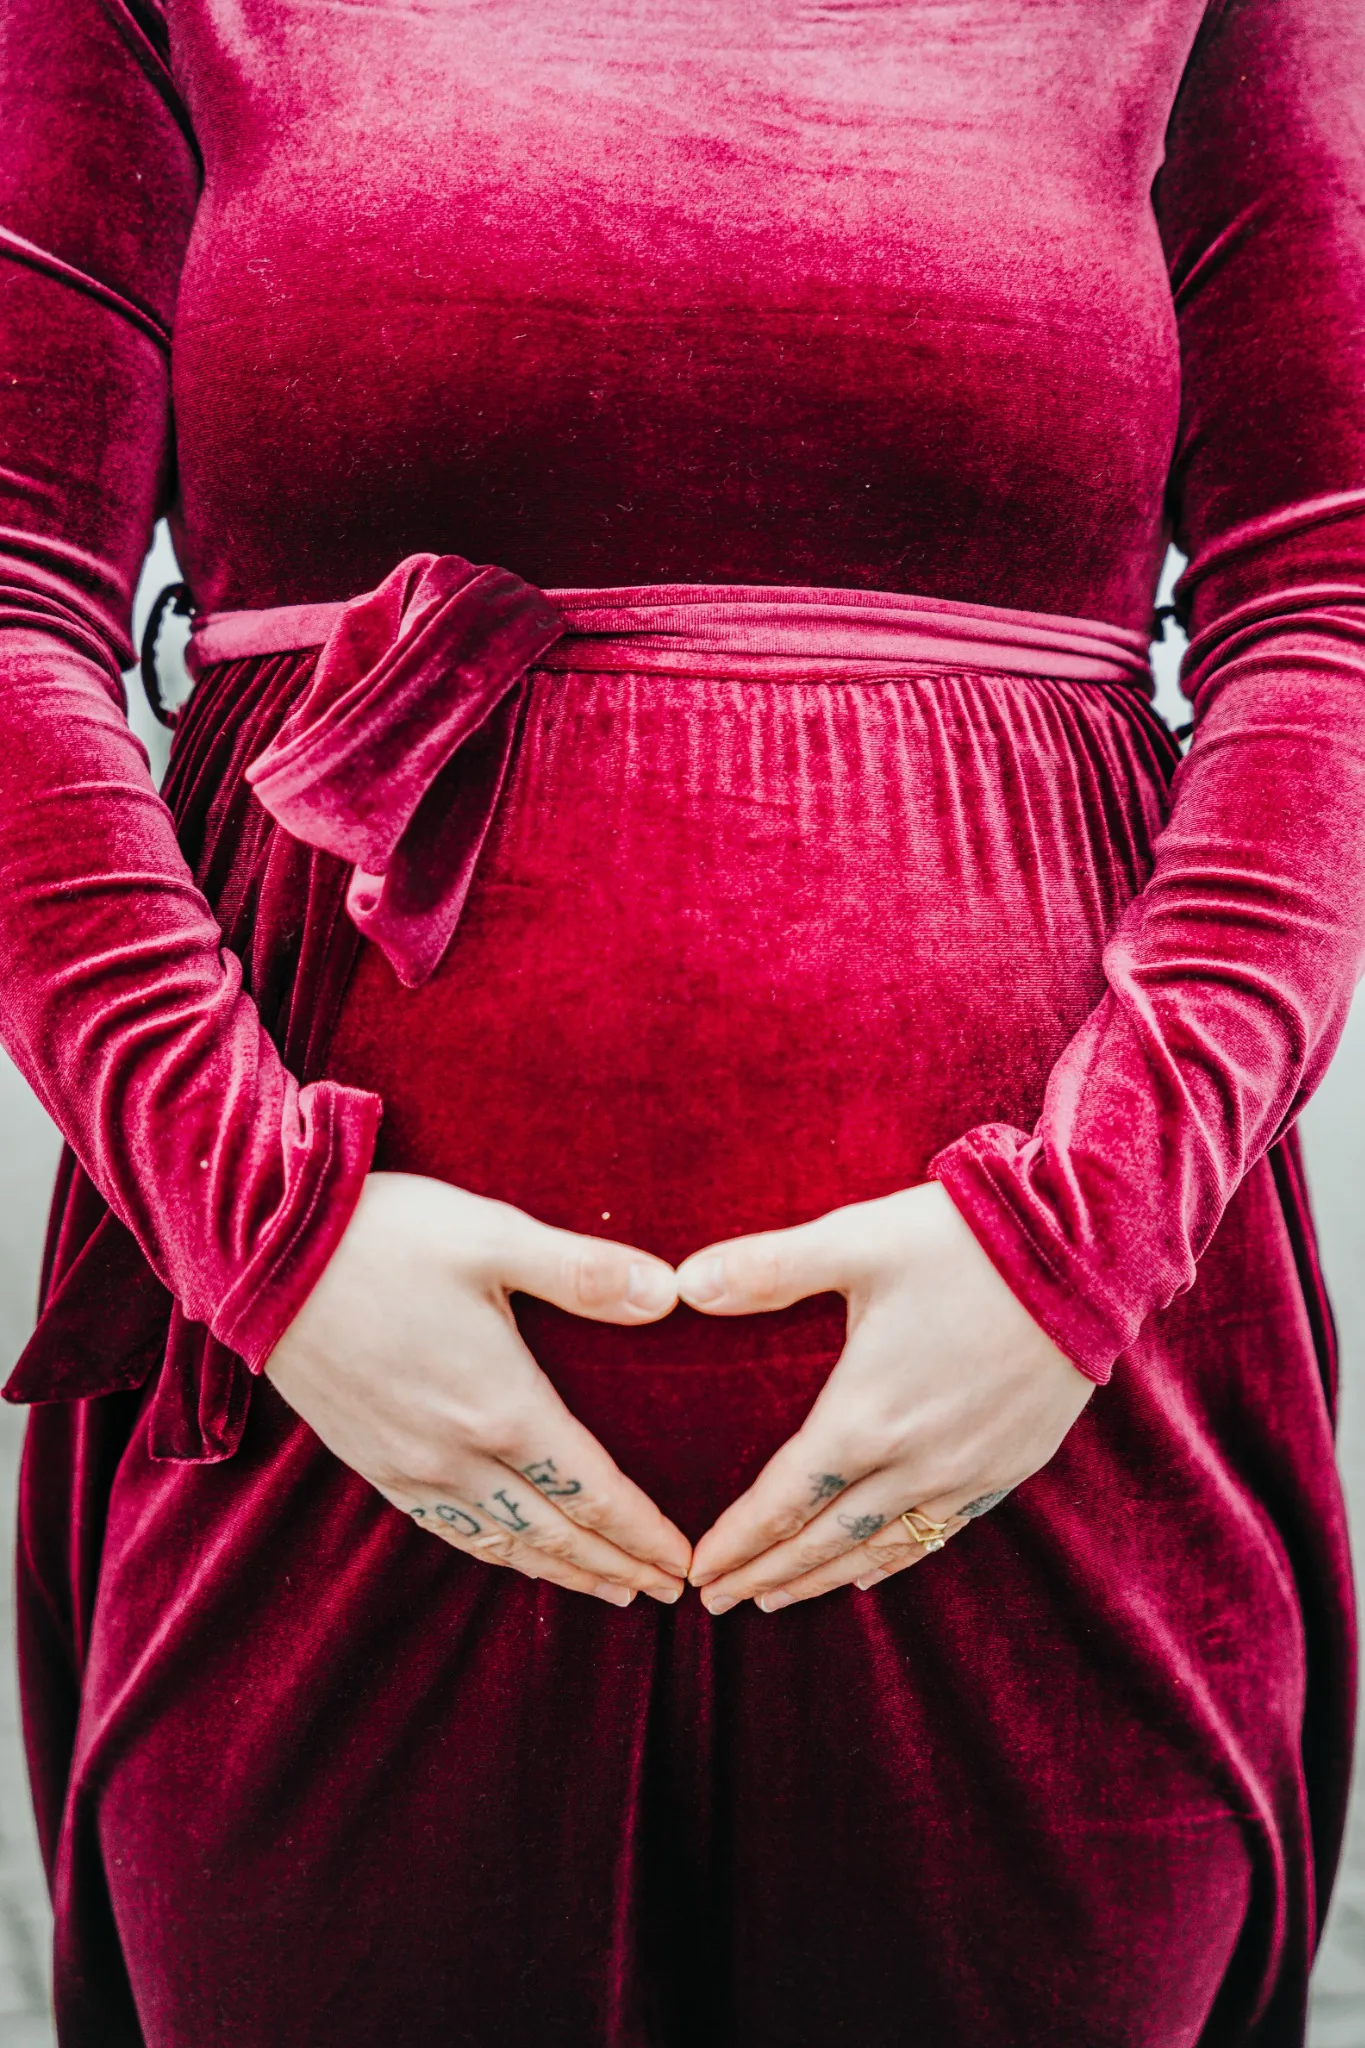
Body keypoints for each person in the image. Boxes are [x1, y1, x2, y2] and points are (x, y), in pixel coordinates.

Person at [1, 0, 1362, 2040]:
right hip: (314, 1426)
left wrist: (1087, 1231)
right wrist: (260, 1221)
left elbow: (1325, 607)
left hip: (1062, 1423)